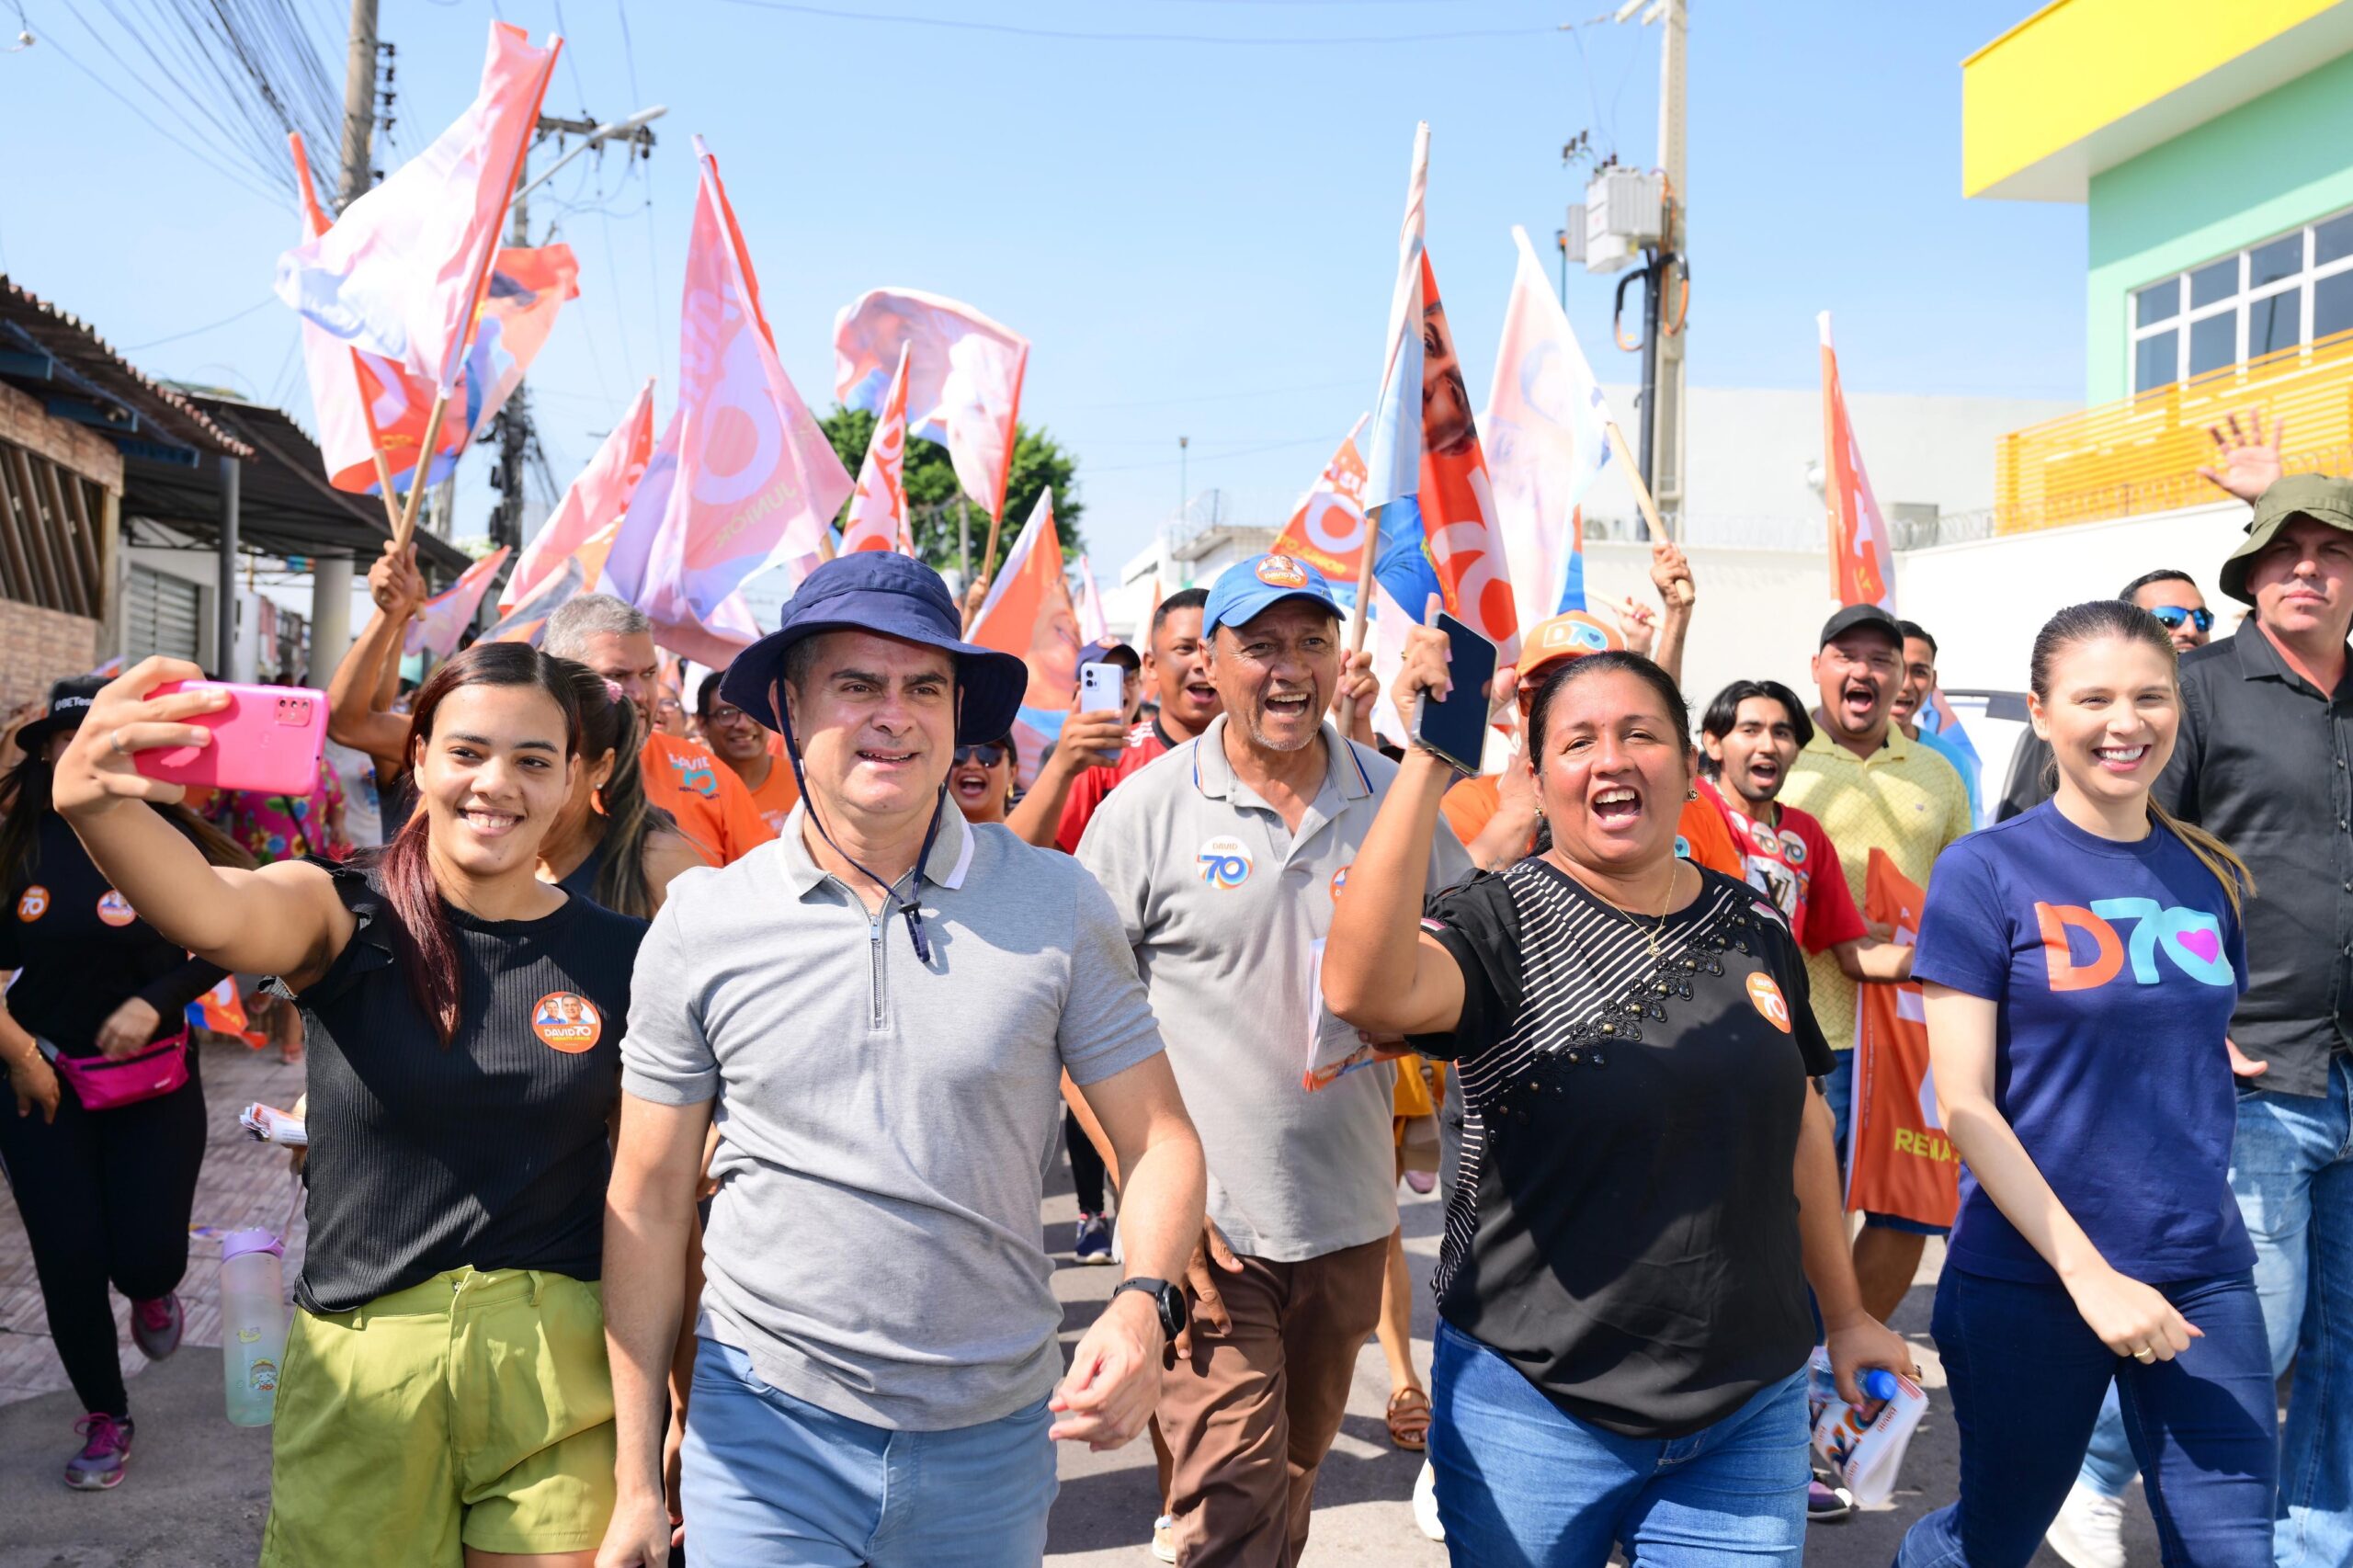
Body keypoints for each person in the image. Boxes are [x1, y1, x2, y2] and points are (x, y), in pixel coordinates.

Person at [597, 551, 1205, 1568]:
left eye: (924, 686)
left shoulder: (1057, 902)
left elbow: (1162, 1142)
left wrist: (1143, 1301)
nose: (895, 713)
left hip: (994, 1439)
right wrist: (630, 1480)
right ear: (788, 706)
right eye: (856, 685)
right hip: (765, 1436)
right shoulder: (705, 920)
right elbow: (649, 1197)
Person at [50, 643, 648, 1566]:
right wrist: (93, 798)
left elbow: (649, 1196)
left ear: (581, 775)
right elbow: (212, 911)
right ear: (418, 757)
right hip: (365, 1365)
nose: (496, 783)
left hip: (554, 1368)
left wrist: (663, 1424)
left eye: (534, 759)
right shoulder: (339, 911)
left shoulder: (630, 955)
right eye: (466, 751)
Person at [1321, 631, 1913, 1563]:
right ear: (1539, 773)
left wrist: (1843, 1315)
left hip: (1744, 1407)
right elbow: (1362, 989)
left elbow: (1801, 1120)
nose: (1611, 759)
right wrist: (1427, 762)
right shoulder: (1496, 917)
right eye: (1578, 740)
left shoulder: (1751, 919)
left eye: (1639, 733)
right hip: (1535, 1405)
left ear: (1686, 762)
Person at [1074, 553, 1474, 1567]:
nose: (1287, 668)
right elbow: (1070, 1023)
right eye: (1259, 644)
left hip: (1346, 1219)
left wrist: (1415, 1016)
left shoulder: (1397, 795)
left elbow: (1473, 957)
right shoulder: (1147, 809)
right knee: (1234, 1500)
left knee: (1288, 1474)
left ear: (1343, 658)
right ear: (1210, 661)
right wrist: (1145, 1187)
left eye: (1311, 641)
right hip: (1210, 1235)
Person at [1898, 599, 2278, 1568]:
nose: (2126, 720)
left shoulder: (2209, 874)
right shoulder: (1984, 870)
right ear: (2039, 710)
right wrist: (2089, 1273)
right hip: (2030, 1272)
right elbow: (1964, 1102)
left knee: (2235, 1549)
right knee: (1992, 1538)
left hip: (2200, 1264)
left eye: (2150, 695)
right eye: (2094, 696)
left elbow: (2181, 1038)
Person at [2083, 472, 2353, 1568]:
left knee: (2341, 1343)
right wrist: (2181, 1023)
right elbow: (2126, 849)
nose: (2306, 568)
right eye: (2283, 550)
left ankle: (2310, 1540)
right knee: (2256, 1324)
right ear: (2248, 572)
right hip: (2248, 1062)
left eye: (2330, 551)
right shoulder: (2194, 688)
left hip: (2348, 1066)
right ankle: (2088, 1463)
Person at [0, 677, 252, 1491]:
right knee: (68, 1259)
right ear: (43, 752)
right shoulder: (14, 844)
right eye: (71, 740)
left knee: (146, 1256)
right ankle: (107, 1413)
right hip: (36, 1084)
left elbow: (248, 924)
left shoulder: (168, 833)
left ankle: (152, 1292)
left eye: (112, 739)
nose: (89, 754)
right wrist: (22, 1058)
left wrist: (156, 999)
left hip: (156, 1083)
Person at [1780, 602, 1972, 1324]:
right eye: (1847, 656)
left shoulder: (1937, 772)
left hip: (1908, 1029)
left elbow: (1963, 890)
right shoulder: (1778, 752)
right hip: (1803, 1031)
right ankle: (1790, 1368)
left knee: (1910, 1209)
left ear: (1903, 679)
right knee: (1802, 1207)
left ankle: (1844, 1353)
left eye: (1882, 660)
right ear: (1819, 669)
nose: (1864, 671)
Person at [1697, 678, 1912, 982]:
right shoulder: (1690, 803)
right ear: (1713, 743)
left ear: (1796, 751)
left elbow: (1855, 952)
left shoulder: (1805, 832)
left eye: (1782, 733)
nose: (1768, 746)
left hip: (1772, 1017)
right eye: (1750, 730)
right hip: (1693, 1002)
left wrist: (1941, 961)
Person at [542, 596, 774, 866]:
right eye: (617, 675)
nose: (640, 694)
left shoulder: (707, 773)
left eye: (649, 674)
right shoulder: (522, 773)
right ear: (562, 674)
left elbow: (762, 890)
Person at [1999, 570, 2215, 826]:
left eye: (2201, 619)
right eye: (2168, 618)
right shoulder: (1990, 862)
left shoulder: (2210, 861)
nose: (2190, 629)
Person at [1052, 588, 1222, 853]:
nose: (1202, 663)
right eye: (1185, 648)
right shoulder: (1107, 757)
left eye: (1212, 649)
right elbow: (1041, 859)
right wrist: (1060, 766)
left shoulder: (1265, 759)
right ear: (1151, 665)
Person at [540, 665, 705, 918]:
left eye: (537, 762)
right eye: (470, 755)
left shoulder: (661, 864)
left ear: (602, 767)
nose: (499, 784)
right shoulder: (478, 853)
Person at [1893, 621, 1982, 824]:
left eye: (1919, 671)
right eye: (1895, 666)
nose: (1905, 684)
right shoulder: (1823, 749)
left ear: (1933, 680)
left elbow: (1963, 846)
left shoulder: (1952, 762)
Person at [695, 672, 799, 834]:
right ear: (702, 724)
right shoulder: (693, 794)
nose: (743, 725)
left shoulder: (805, 783)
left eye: (753, 710)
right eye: (727, 713)